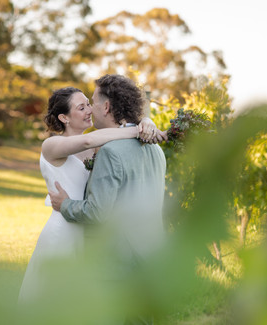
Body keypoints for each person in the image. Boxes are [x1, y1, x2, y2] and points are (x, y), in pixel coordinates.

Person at [17, 85, 163, 306]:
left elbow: (104, 140)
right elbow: (86, 141)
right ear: (64, 117)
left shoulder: (99, 145)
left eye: (88, 104)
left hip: (87, 229)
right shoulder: (52, 145)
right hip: (64, 230)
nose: (89, 111)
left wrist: (146, 122)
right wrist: (137, 130)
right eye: (81, 107)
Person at [49, 74, 167, 324]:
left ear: (107, 106)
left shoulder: (111, 151)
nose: (90, 108)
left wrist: (65, 204)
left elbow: (96, 212)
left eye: (93, 102)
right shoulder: (156, 149)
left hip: (116, 265)